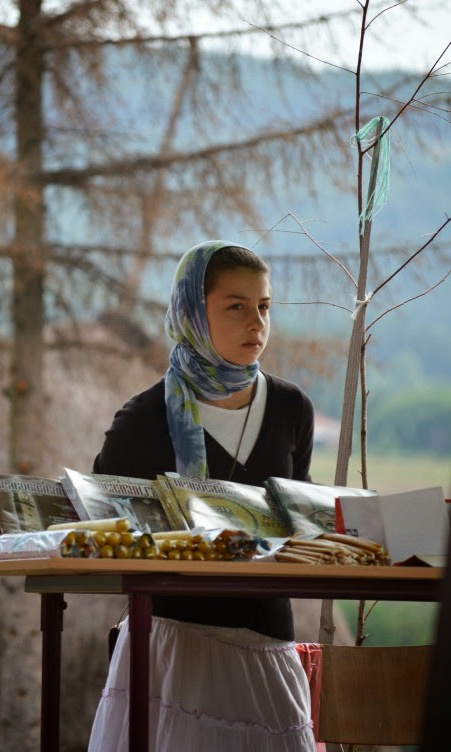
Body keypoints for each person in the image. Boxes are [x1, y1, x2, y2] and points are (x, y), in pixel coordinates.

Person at [88, 241, 316, 752]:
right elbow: (103, 529)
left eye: (264, 306)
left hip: (268, 647)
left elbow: (296, 527)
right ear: (192, 311)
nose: (256, 323)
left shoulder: (291, 409)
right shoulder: (142, 420)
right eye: (236, 307)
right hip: (172, 650)